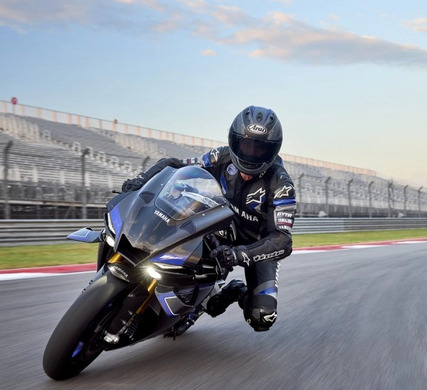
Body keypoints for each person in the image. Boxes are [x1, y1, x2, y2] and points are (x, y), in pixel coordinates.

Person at [120, 106, 297, 331]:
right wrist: (142, 180)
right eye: (245, 145)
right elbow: (174, 165)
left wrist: (238, 255)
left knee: (262, 317)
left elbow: (283, 240)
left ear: (273, 151)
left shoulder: (281, 185)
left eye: (259, 149)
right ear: (233, 141)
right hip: (219, 226)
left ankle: (232, 291)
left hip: (255, 247)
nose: (250, 154)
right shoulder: (221, 156)